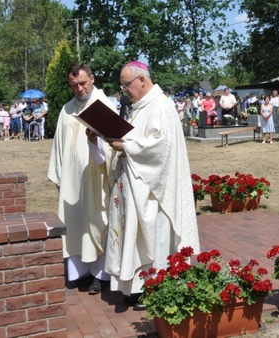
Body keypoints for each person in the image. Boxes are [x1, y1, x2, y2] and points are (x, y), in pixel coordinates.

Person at [101, 61, 200, 307]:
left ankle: (155, 287)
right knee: (135, 237)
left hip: (155, 191)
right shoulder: (138, 106)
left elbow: (161, 147)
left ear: (142, 80)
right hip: (135, 183)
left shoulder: (162, 105)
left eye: (126, 84)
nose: (124, 90)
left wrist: (126, 146)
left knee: (155, 239)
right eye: (122, 85)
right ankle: (135, 285)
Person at [47, 63, 117, 295]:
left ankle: (100, 274)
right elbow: (58, 145)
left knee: (97, 222)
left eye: (83, 83)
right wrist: (59, 175)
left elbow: (115, 145)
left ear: (93, 79)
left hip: (97, 177)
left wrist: (96, 143)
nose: (79, 88)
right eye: (74, 85)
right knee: (75, 222)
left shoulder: (105, 106)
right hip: (72, 179)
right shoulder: (66, 110)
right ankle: (79, 272)